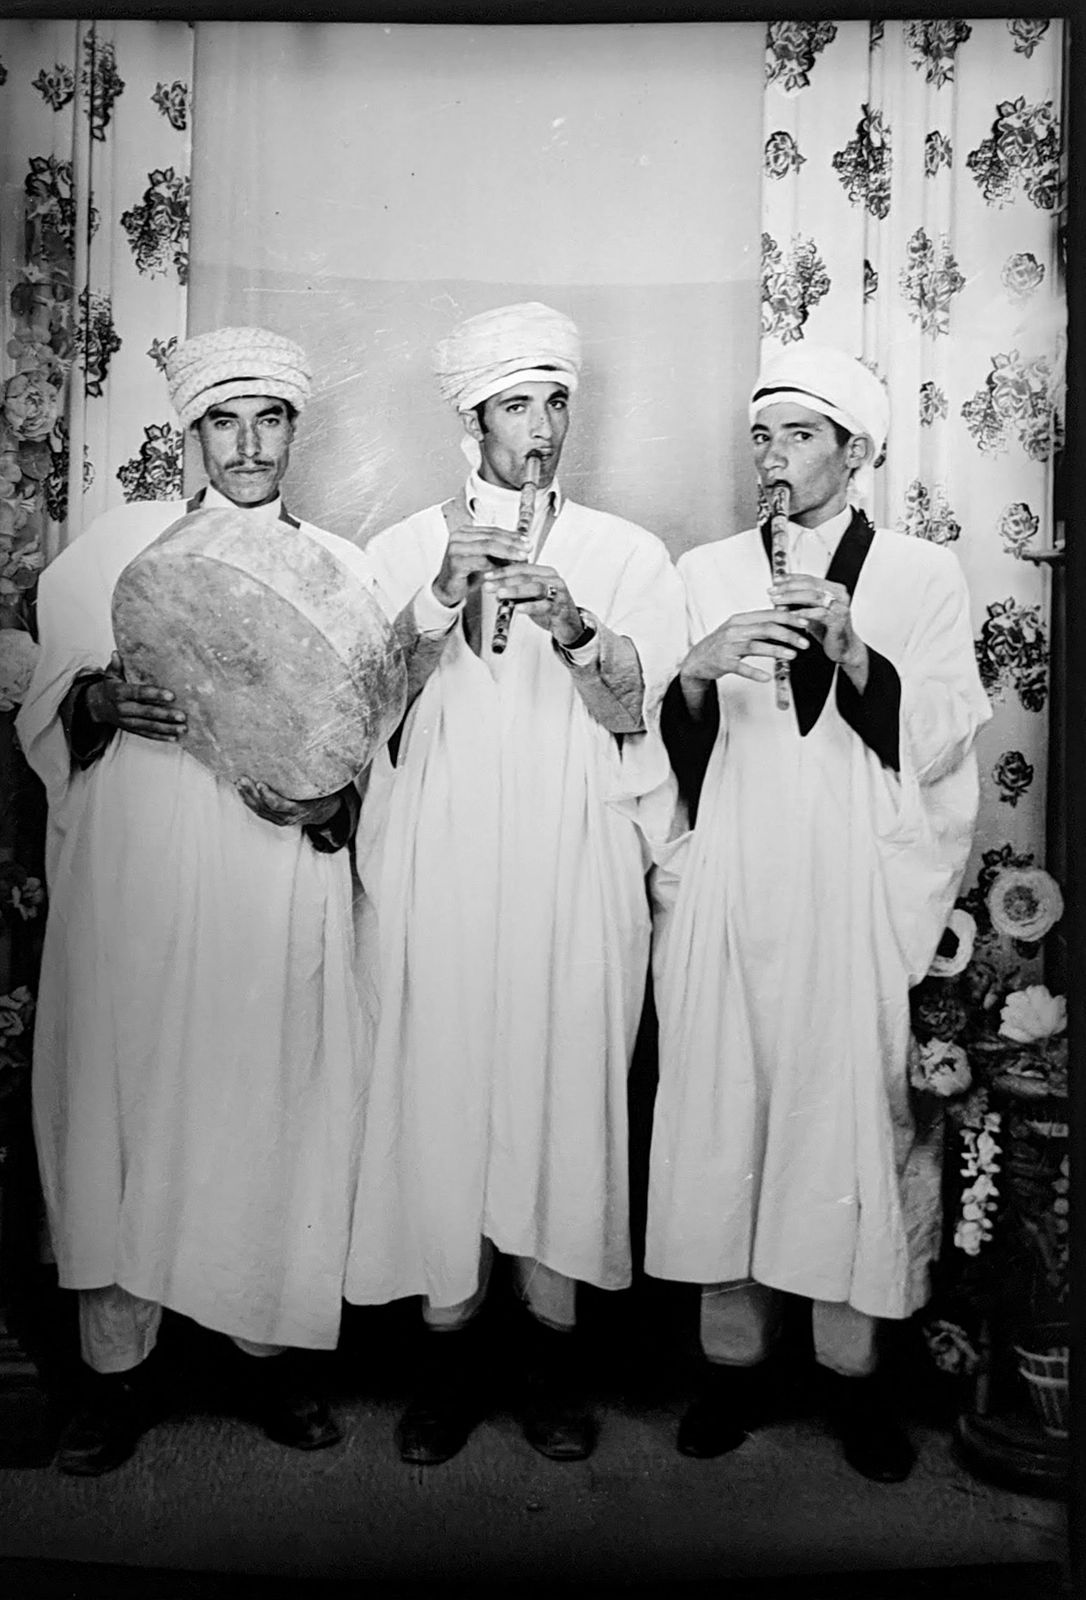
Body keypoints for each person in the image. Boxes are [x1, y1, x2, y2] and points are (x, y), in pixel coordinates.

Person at [17, 326, 377, 1475]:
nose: (249, 445)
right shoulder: (115, 553)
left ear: (295, 431)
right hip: (142, 868)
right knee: (128, 1096)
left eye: (269, 420)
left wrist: (326, 805)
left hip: (269, 877)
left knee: (267, 1090)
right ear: (192, 432)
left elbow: (364, 748)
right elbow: (49, 710)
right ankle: (115, 1377)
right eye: (226, 421)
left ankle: (268, 1360)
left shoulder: (342, 572)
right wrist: (99, 700)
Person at [344, 301, 686, 1465]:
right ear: (472, 419)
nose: (540, 428)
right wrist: (436, 602)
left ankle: (549, 1369)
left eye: (554, 403)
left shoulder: (627, 554)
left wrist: (580, 631)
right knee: (444, 1089)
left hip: (570, 858)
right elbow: (355, 713)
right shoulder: (399, 548)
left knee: (559, 1088)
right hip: (440, 856)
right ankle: (445, 1368)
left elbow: (641, 716)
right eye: (515, 405)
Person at [645, 343, 991, 1482]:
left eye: (799, 436)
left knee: (843, 1123)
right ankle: (731, 1370)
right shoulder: (704, 569)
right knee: (726, 1115)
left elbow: (939, 741)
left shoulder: (922, 575)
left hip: (847, 890)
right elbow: (665, 752)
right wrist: (699, 670)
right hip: (735, 881)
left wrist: (853, 650)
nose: (774, 457)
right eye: (763, 436)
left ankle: (854, 1381)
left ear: (857, 452)